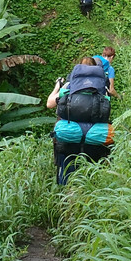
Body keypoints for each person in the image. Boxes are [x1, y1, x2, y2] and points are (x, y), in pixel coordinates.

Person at [46, 56, 113, 185]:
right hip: (94, 137)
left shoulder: (70, 85)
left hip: (69, 136)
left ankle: (65, 191)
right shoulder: (102, 88)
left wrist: (57, 86)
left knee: (67, 169)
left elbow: (50, 104)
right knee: (93, 174)